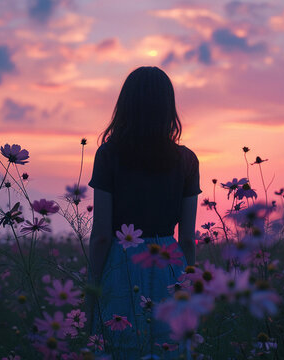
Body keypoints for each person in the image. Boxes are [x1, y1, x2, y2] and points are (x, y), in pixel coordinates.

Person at [86, 66, 201, 359]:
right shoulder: (187, 160)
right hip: (171, 267)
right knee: (170, 349)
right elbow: (187, 239)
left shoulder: (108, 154)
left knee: (120, 347)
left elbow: (100, 235)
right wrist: (190, 285)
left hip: (121, 262)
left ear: (125, 105)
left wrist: (92, 293)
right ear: (168, 108)